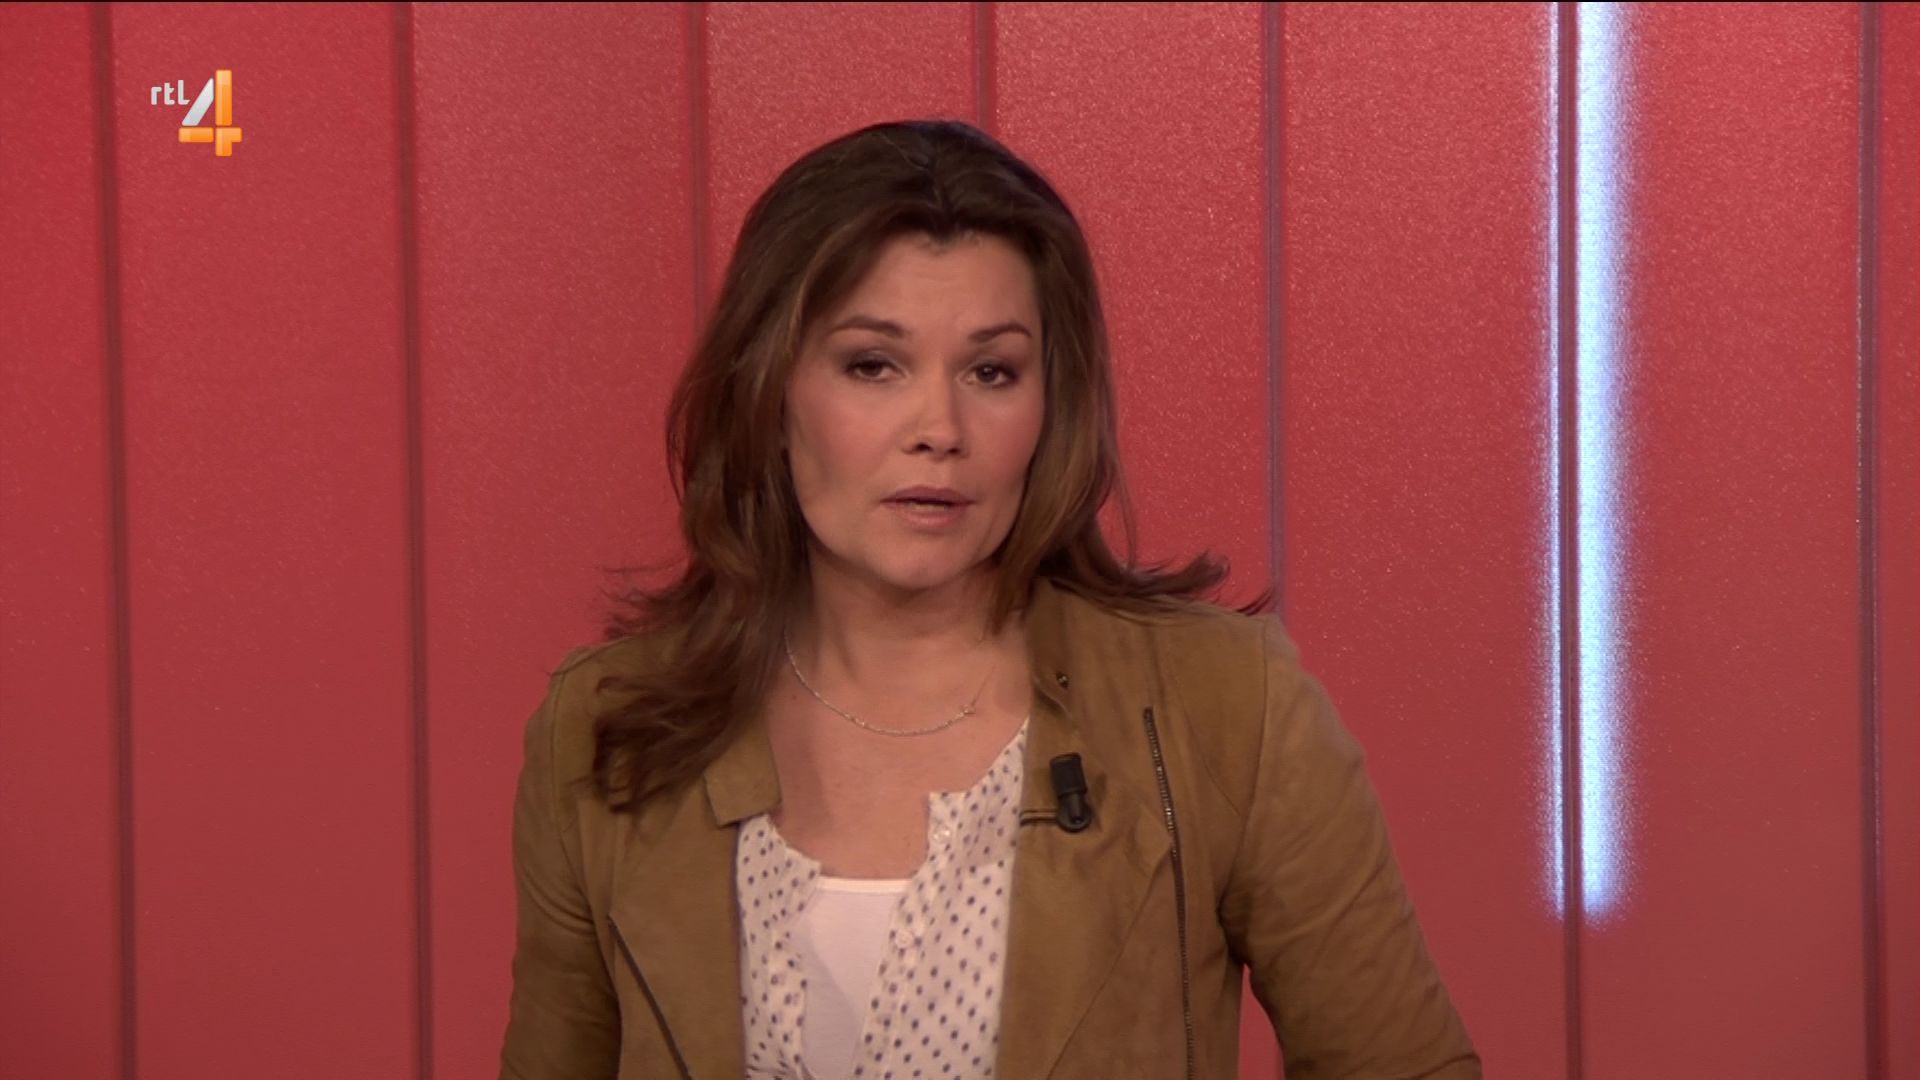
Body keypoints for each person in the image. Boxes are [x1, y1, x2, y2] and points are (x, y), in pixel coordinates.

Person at [499, 118, 1479, 1080]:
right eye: (873, 364)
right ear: (770, 394)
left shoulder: (1224, 706)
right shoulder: (604, 729)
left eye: (991, 371)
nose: (941, 427)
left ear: (1050, 406)